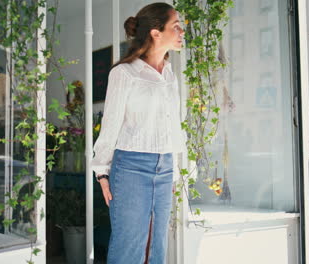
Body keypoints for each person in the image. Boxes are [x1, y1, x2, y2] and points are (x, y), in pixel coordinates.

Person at [90, 2, 185, 264]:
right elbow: (110, 125)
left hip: (164, 165)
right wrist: (102, 172)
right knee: (129, 245)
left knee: (158, 245)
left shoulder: (169, 74)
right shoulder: (124, 73)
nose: (182, 32)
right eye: (176, 27)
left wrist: (174, 167)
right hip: (131, 167)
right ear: (156, 32)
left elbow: (172, 124)